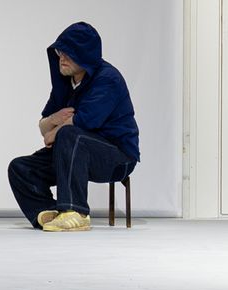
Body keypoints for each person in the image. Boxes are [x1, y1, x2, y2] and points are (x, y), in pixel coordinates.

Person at [8, 22, 140, 231]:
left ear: (85, 55)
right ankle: (47, 211)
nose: (62, 58)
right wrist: (54, 120)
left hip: (117, 158)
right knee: (20, 168)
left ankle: (75, 212)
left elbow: (85, 122)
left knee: (70, 135)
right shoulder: (65, 83)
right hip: (72, 153)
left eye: (69, 53)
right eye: (60, 52)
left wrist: (54, 131)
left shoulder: (108, 79)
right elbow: (43, 126)